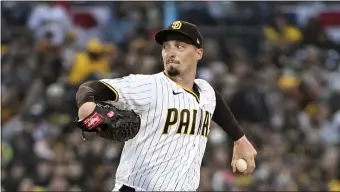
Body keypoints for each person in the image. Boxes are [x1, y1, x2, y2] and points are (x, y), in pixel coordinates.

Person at [76, 20, 257, 191]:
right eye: (166, 47)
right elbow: (89, 88)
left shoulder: (205, 90)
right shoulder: (149, 86)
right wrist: (86, 107)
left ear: (198, 53)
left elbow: (216, 104)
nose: (171, 52)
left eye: (180, 46)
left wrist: (239, 139)